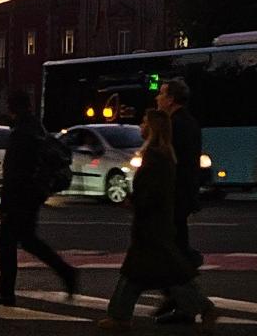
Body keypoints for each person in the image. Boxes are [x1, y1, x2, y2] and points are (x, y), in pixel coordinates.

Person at [97, 109, 217, 333]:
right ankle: (121, 316)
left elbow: (150, 192)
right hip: (156, 225)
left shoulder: (155, 156)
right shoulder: (164, 154)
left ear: (152, 128)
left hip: (151, 227)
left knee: (149, 274)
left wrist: (133, 202)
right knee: (159, 274)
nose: (140, 125)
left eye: (144, 122)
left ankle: (120, 317)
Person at [0, 89, 78, 306]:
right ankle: (66, 273)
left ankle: (6, 292)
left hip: (19, 196)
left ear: (11, 108)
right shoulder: (36, 128)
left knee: (6, 244)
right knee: (28, 241)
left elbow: (13, 171)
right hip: (34, 193)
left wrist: (4, 200)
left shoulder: (20, 133)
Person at [153, 78, 205, 325]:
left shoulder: (173, 126)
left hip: (173, 198)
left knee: (168, 252)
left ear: (171, 99)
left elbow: (169, 164)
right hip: (183, 197)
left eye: (162, 94)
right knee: (173, 250)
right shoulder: (190, 123)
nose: (158, 98)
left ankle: (186, 300)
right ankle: (180, 299)